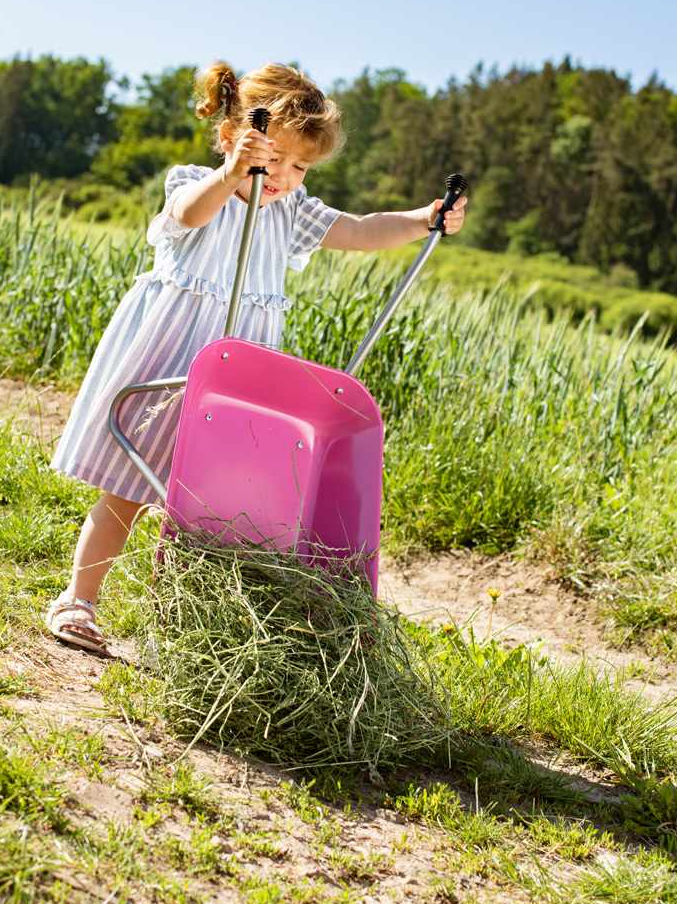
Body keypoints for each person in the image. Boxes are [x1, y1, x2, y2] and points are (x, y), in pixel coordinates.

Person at [46, 61, 467, 654]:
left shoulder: (291, 212)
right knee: (129, 489)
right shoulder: (196, 183)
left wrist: (424, 219)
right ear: (233, 140)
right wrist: (231, 174)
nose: (287, 177)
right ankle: (79, 600)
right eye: (278, 160)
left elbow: (360, 229)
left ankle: (193, 627)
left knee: (220, 501)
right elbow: (188, 213)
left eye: (301, 167)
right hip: (174, 355)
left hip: (238, 376)